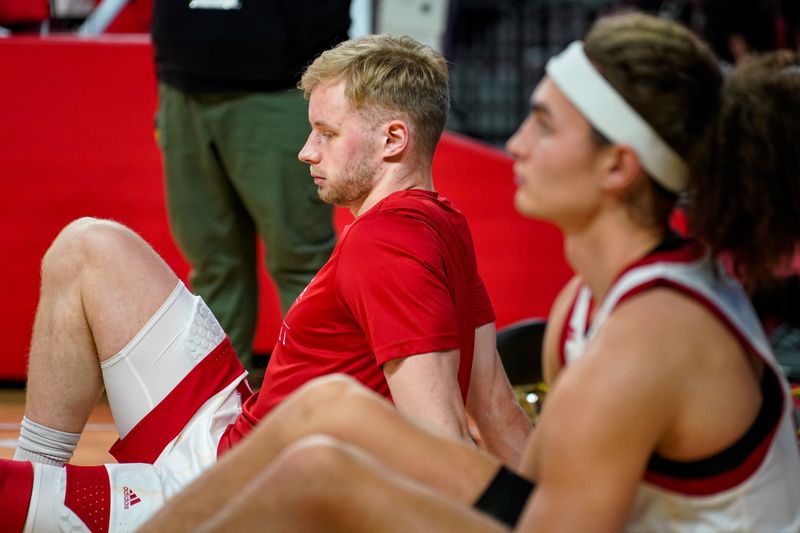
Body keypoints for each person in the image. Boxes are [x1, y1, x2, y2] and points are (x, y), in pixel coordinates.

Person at [138, 13, 800, 532]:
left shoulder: (649, 341)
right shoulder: (588, 302)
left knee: (323, 466)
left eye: (542, 124)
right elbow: (524, 476)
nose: (515, 144)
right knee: (329, 409)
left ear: (617, 166)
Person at [0, 35, 530, 532]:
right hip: (236, 430)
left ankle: (39, 487)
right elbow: (496, 407)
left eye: (327, 133)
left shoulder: (386, 243)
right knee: (88, 246)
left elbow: (437, 444)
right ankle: (41, 476)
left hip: (231, 487)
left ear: (393, 139)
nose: (306, 151)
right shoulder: (443, 223)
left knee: (7, 493)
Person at [152, 0, 350, 376]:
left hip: (282, 88)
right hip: (182, 83)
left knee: (302, 260)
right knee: (213, 265)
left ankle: (323, 402)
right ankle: (219, 410)